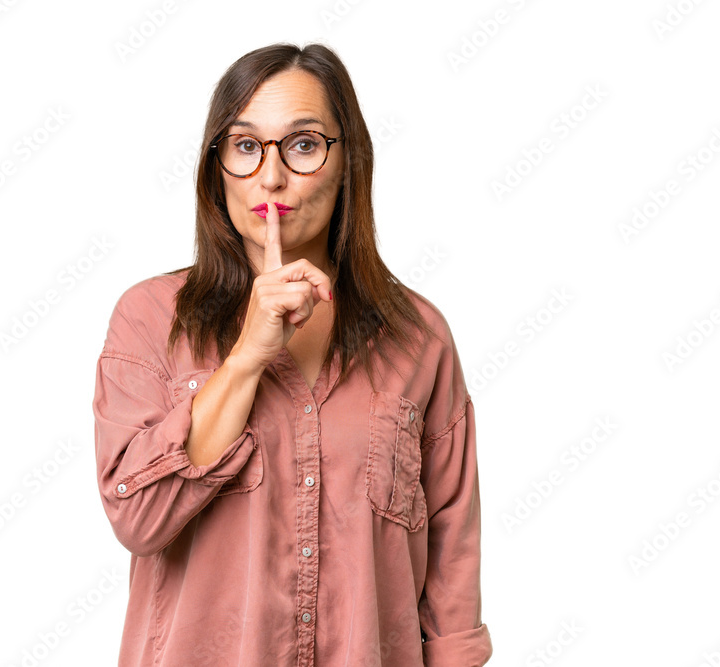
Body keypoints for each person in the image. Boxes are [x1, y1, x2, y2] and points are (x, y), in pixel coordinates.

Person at [92, 42, 493, 666]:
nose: (270, 176)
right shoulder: (150, 319)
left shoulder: (419, 337)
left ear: (347, 161)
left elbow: (451, 558)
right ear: (217, 164)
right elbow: (138, 518)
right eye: (246, 146)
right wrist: (247, 356)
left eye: (303, 145)